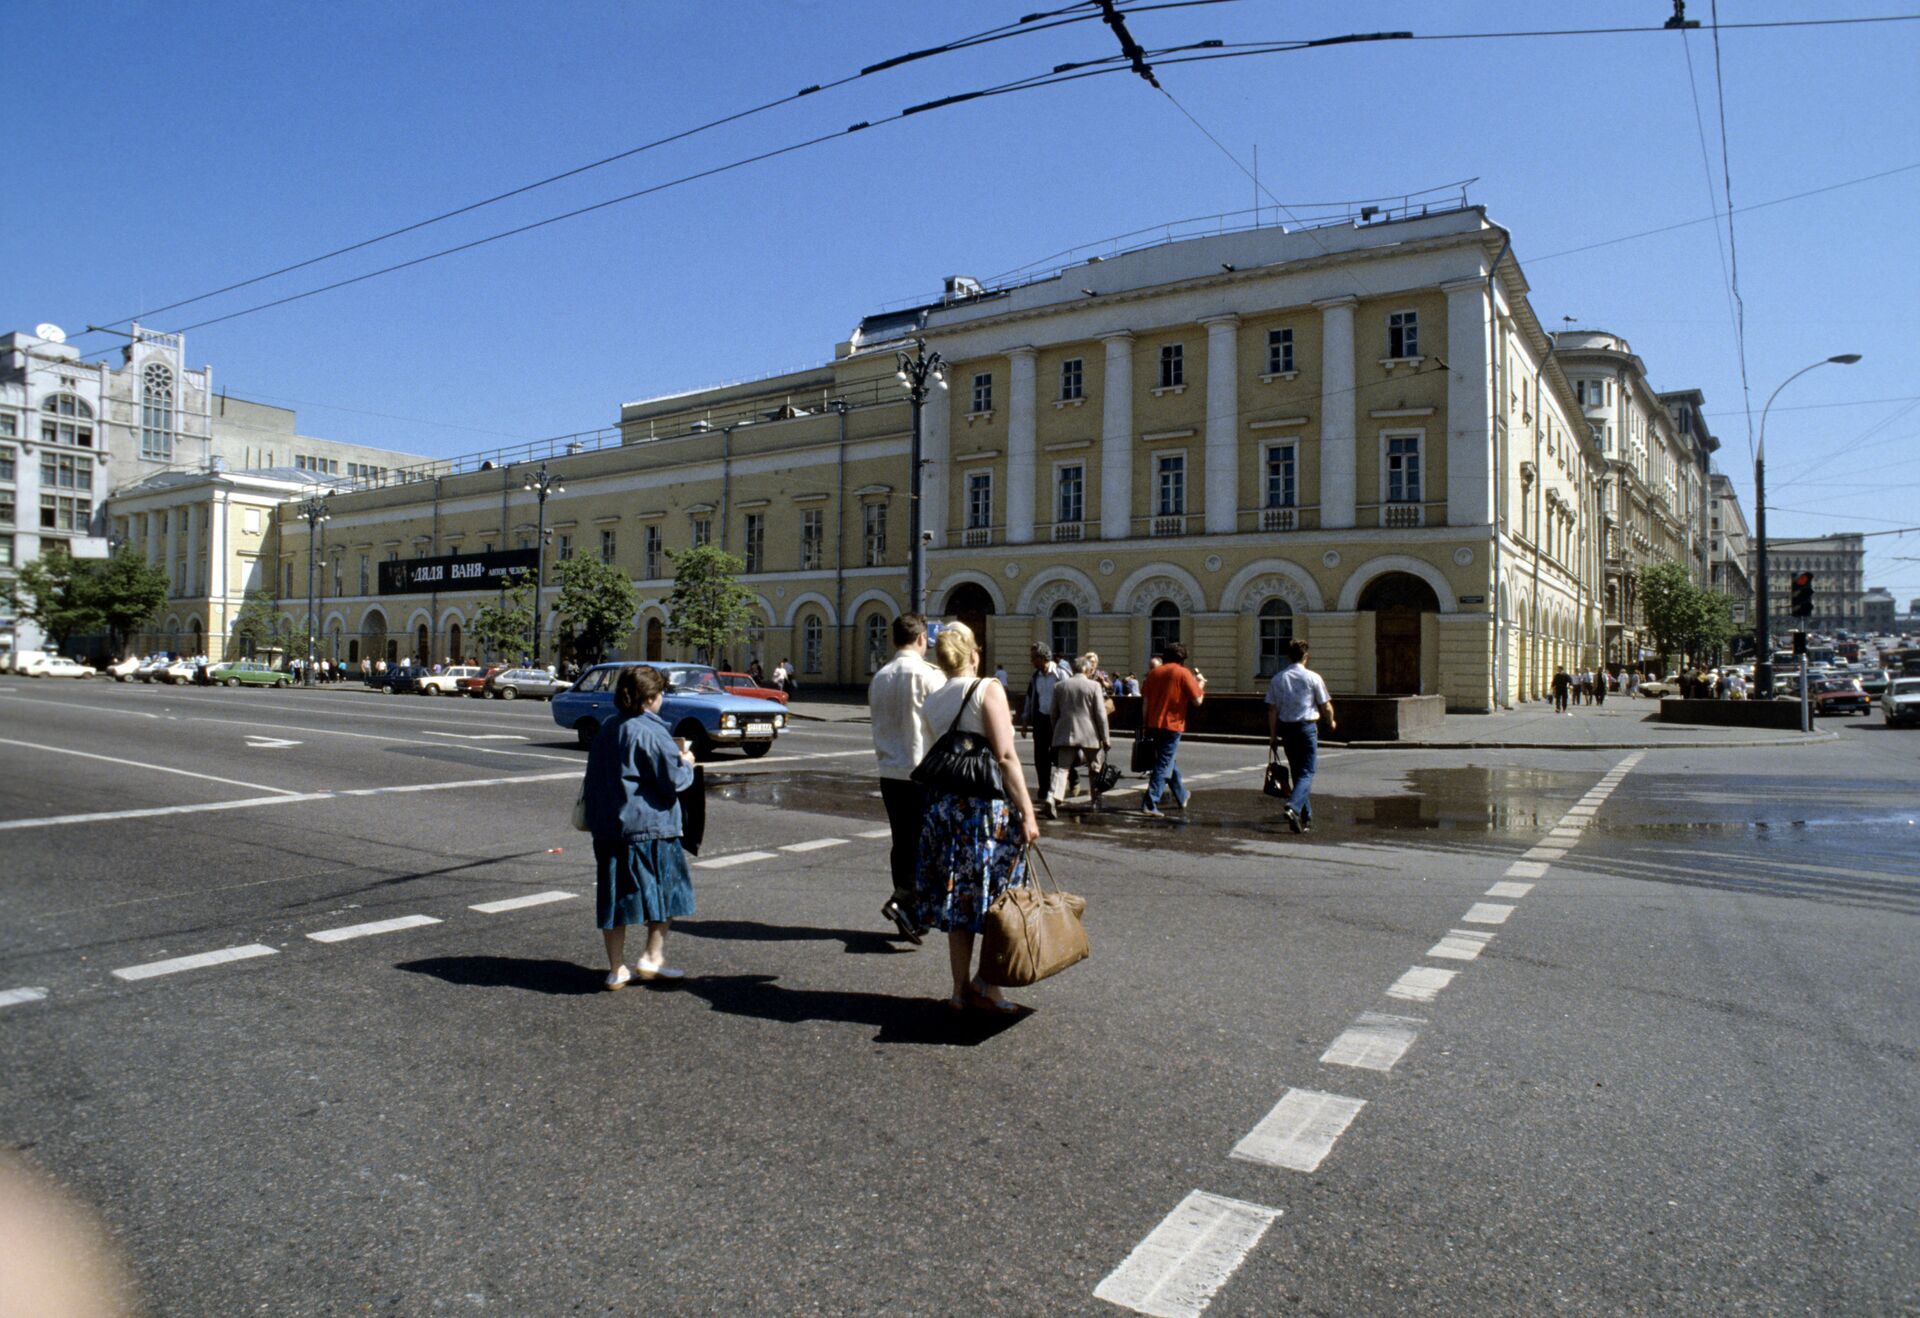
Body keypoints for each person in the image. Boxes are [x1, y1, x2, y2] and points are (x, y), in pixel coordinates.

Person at [913, 621, 1040, 1012]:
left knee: (961, 901)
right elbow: (1004, 756)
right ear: (974, 654)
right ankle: (989, 987)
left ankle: (959, 989)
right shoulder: (988, 688)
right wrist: (1028, 811)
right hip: (985, 813)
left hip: (948, 810)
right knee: (995, 900)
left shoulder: (933, 698)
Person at [581, 665, 698, 989]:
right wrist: (686, 763)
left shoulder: (607, 727)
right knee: (666, 892)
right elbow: (672, 781)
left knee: (616, 897)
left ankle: (616, 968)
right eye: (660, 694)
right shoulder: (653, 731)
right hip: (651, 826)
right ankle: (652, 956)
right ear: (651, 697)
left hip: (608, 828)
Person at [868, 613, 944, 944]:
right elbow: (942, 724)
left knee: (902, 842)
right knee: (928, 845)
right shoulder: (929, 676)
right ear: (921, 639)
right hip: (922, 772)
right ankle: (905, 903)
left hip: (889, 772)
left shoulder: (880, 676)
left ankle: (908, 911)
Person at [1266, 638, 1336, 834]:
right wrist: (1331, 722)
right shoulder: (1313, 677)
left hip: (1286, 729)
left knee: (1298, 772)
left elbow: (1272, 710)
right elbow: (1326, 706)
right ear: (1306, 656)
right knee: (1307, 772)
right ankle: (1293, 807)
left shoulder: (1278, 678)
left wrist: (1273, 737)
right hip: (1306, 728)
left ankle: (1306, 817)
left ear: (1288, 656)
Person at [1043, 652, 1112, 818]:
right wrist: (1105, 738)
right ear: (1087, 671)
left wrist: (1057, 731)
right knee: (1095, 768)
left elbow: (1053, 714)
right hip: (1090, 734)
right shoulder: (1093, 686)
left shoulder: (1059, 686)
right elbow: (1101, 715)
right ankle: (1095, 801)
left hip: (1065, 732)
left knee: (1062, 769)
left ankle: (1052, 798)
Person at [1139, 643, 1204, 816]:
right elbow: (1197, 701)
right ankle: (1150, 803)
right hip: (1172, 725)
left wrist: (1144, 724)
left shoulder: (1153, 673)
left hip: (1153, 723)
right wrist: (1201, 685)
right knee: (1164, 764)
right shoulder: (1183, 673)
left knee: (1167, 760)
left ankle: (1182, 795)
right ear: (1182, 659)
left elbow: (1145, 703)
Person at [1021, 644, 1072, 803]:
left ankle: (1064, 785)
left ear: (1043, 658)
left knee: (1058, 756)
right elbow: (1030, 698)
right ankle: (1044, 790)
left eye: (1034, 658)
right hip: (1041, 720)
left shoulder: (1061, 674)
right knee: (1040, 757)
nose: (1031, 661)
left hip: (1057, 721)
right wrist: (1025, 721)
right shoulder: (1035, 677)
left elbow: (1069, 697)